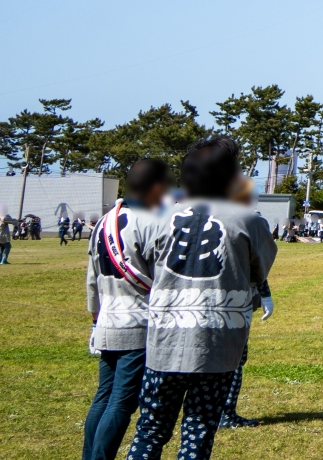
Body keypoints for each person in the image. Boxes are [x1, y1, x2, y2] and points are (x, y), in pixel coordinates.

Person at [123, 136, 278, 460]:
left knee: (149, 433)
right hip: (217, 343)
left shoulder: (159, 217)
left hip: (164, 341)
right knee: (197, 436)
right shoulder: (248, 220)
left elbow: (145, 266)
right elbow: (259, 270)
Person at [82, 158, 170, 460]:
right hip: (137, 320)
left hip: (106, 317)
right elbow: (164, 278)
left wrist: (95, 318)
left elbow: (91, 279)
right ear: (157, 187)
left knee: (103, 395)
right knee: (122, 401)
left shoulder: (103, 222)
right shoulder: (153, 223)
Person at [214, 174, 275, 430]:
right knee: (235, 359)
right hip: (235, 300)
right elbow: (258, 265)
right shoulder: (251, 221)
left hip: (200, 299)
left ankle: (211, 410)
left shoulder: (207, 217)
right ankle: (225, 412)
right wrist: (265, 292)